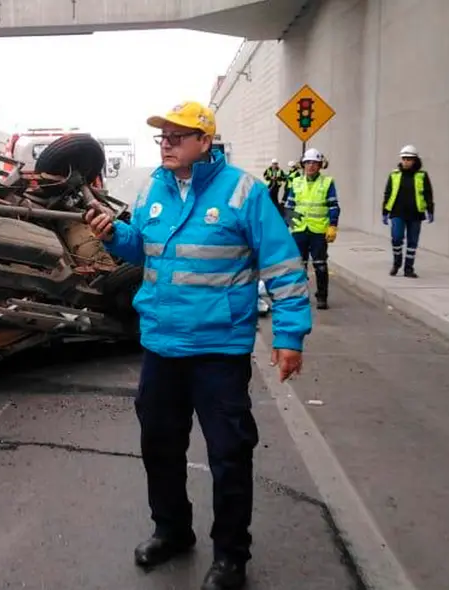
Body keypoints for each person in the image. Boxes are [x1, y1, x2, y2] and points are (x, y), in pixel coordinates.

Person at [83, 101, 312, 590]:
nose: (166, 144)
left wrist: (289, 336)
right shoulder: (154, 189)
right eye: (162, 137)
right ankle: (171, 530)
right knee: (159, 446)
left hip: (218, 351)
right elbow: (142, 247)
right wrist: (114, 234)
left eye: (177, 136)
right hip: (162, 347)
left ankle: (231, 555)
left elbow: (283, 266)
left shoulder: (243, 192)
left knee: (230, 454)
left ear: (205, 142)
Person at [283, 148, 340, 310]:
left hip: (318, 230)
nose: (311, 166)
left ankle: (322, 297)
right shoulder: (296, 182)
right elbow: (289, 206)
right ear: (303, 165)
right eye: (308, 163)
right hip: (299, 229)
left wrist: (333, 225)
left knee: (320, 265)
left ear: (320, 165)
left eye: (314, 163)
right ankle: (300, 296)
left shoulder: (327, 182)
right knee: (298, 266)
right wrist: (286, 227)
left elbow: (333, 206)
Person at [382, 144, 434, 277]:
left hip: (415, 213)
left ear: (415, 160)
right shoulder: (394, 175)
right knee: (396, 238)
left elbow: (428, 193)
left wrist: (430, 210)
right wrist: (385, 211)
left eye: (409, 159)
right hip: (397, 212)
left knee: (412, 242)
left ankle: (408, 268)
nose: (406, 161)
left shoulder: (422, 175)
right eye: (404, 159)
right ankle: (397, 262)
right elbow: (388, 193)